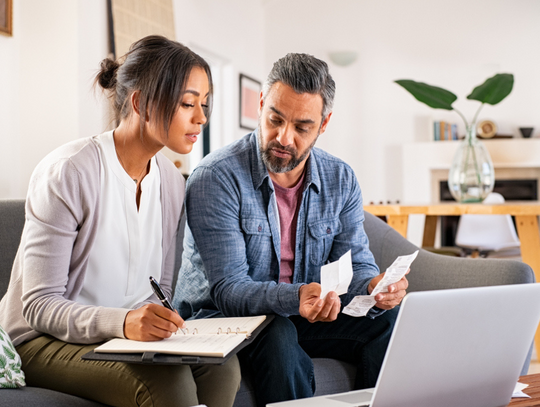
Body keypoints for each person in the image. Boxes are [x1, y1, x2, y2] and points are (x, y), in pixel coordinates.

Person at [0, 35, 240, 407]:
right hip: (41, 341)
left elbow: (158, 286)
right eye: (187, 103)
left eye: (204, 104)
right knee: (169, 383)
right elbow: (39, 305)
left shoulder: (172, 182)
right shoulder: (69, 171)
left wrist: (162, 323)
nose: (201, 118)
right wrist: (123, 323)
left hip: (119, 340)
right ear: (141, 102)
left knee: (223, 367)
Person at [173, 53, 409, 407]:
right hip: (220, 319)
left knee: (389, 322)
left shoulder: (340, 178)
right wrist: (298, 298)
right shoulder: (216, 177)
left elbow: (357, 264)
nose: (283, 137)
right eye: (275, 119)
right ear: (261, 105)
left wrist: (375, 287)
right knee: (278, 332)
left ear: (323, 124)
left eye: (302, 127)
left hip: (299, 312)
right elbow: (228, 289)